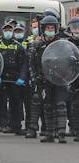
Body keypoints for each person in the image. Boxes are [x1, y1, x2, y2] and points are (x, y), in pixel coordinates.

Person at [26, 14, 68, 142]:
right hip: (44, 81)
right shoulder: (37, 46)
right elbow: (32, 64)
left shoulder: (62, 45)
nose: (50, 30)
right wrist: (35, 79)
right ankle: (49, 133)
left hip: (59, 80)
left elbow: (68, 62)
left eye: (52, 28)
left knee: (61, 105)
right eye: (48, 28)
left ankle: (61, 133)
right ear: (42, 29)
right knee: (48, 106)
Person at [0, 21, 28, 135]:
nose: (8, 32)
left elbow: (24, 64)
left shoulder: (18, 47)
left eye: (10, 30)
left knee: (16, 103)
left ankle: (16, 126)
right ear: (2, 32)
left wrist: (22, 78)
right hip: (1, 79)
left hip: (15, 80)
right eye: (6, 30)